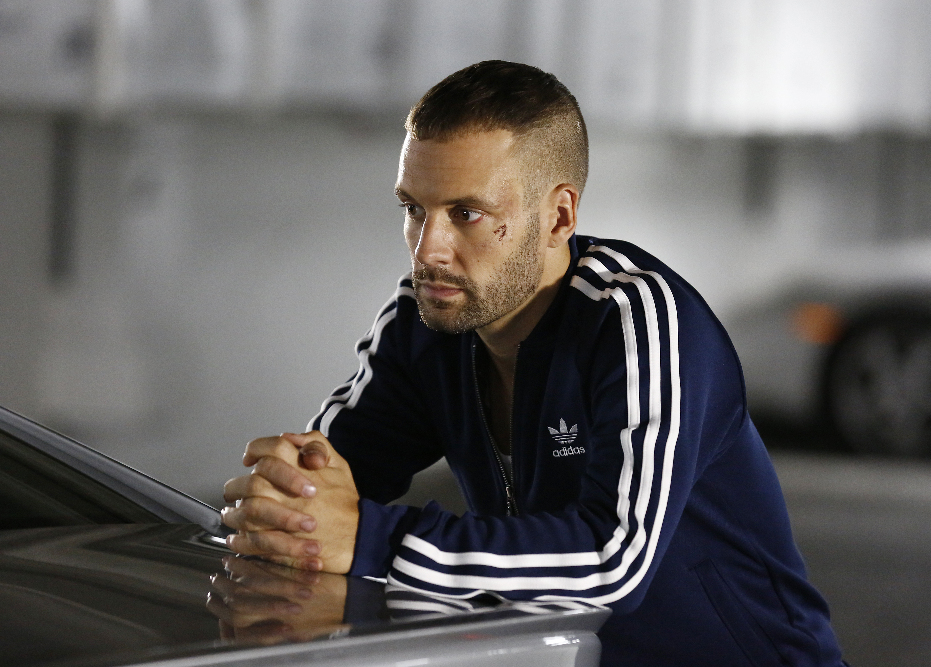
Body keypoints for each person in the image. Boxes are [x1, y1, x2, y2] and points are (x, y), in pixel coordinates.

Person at [221, 60, 845, 666]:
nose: (428, 250)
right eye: (413, 209)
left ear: (559, 216)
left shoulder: (637, 319)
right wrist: (286, 501)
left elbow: (611, 564)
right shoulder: (422, 321)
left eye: (467, 214)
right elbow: (326, 483)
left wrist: (367, 539)